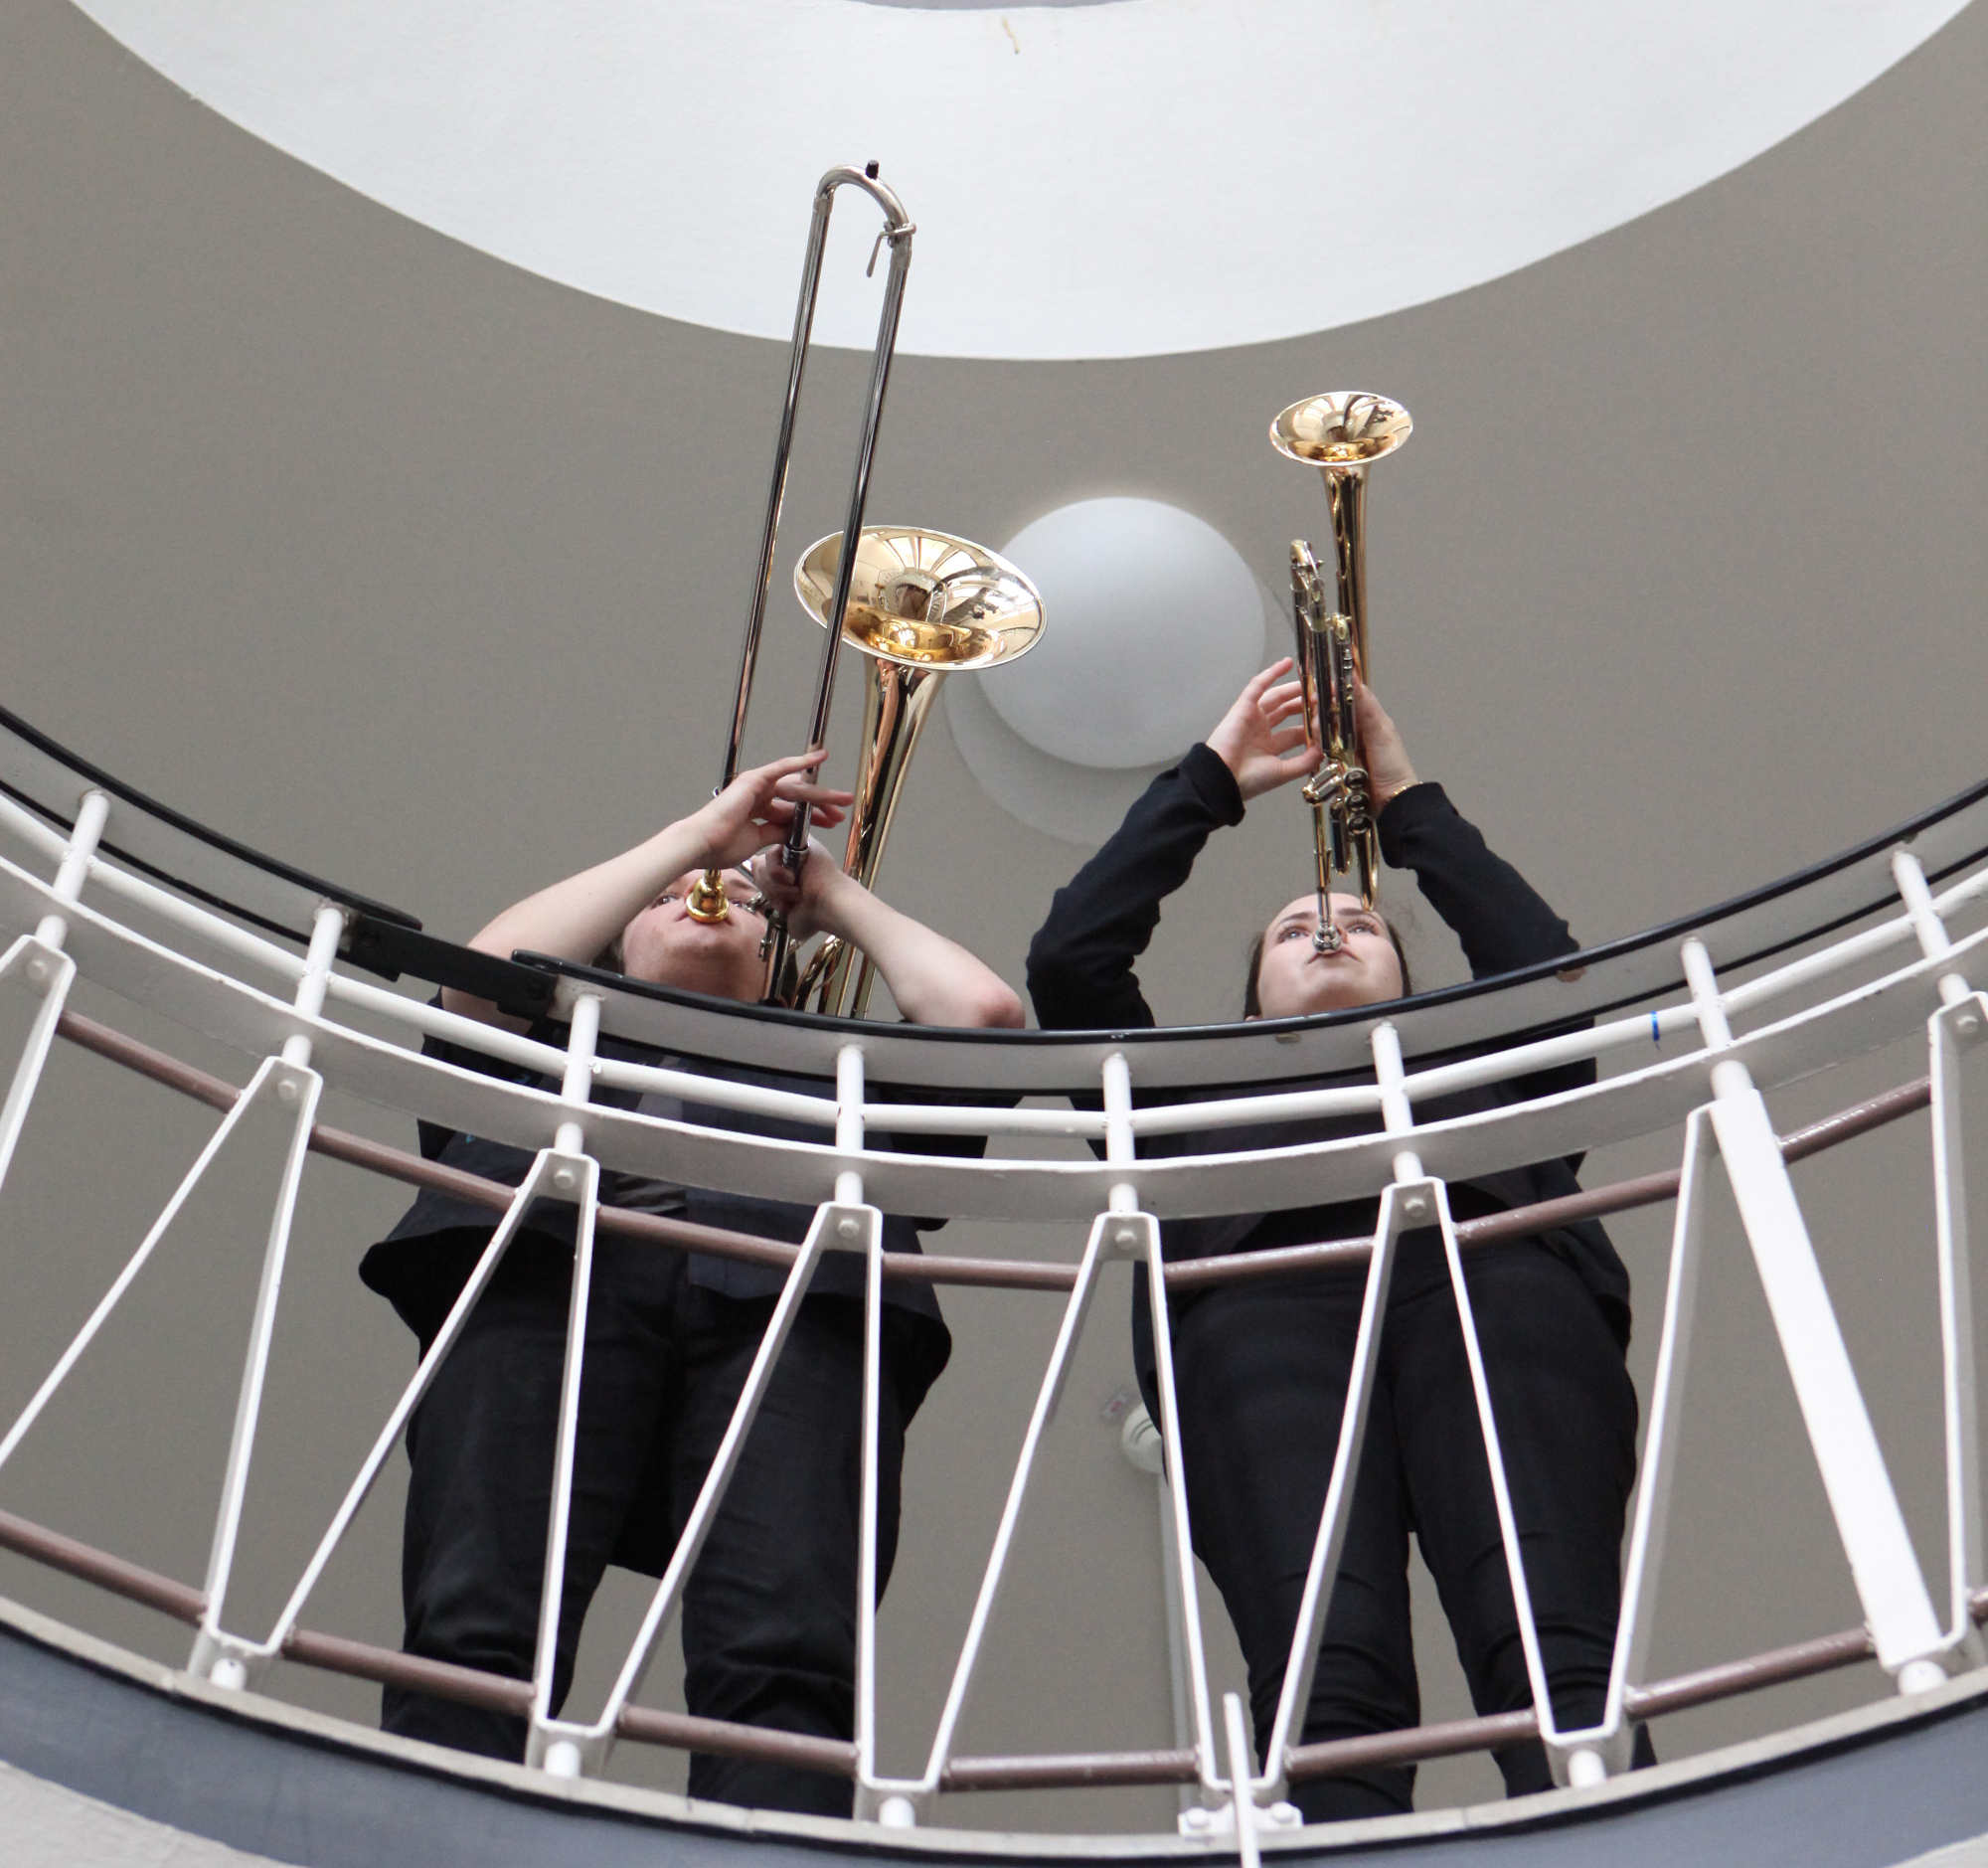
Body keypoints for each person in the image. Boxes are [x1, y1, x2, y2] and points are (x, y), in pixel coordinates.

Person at [1026, 662, 1647, 1821]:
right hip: (1257, 1309)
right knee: (1326, 1679)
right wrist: (1209, 781)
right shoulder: (1184, 1109)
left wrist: (1402, 796)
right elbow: (1070, 962)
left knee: (1554, 1645)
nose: (1325, 926)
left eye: (1360, 922)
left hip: (1493, 1273)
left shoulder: (1485, 1079)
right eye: (1292, 929)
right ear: (1252, 1001)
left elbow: (1546, 971)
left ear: (1406, 980)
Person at [360, 752, 1023, 1815]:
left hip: (793, 1307)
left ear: (777, 963)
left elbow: (982, 1015)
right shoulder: (549, 1037)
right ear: (612, 943)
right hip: (550, 1274)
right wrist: (695, 840)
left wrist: (828, 894)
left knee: (786, 1654)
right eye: (664, 900)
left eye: (742, 904)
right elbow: (480, 974)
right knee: (475, 1615)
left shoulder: (834, 1068)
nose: (709, 896)